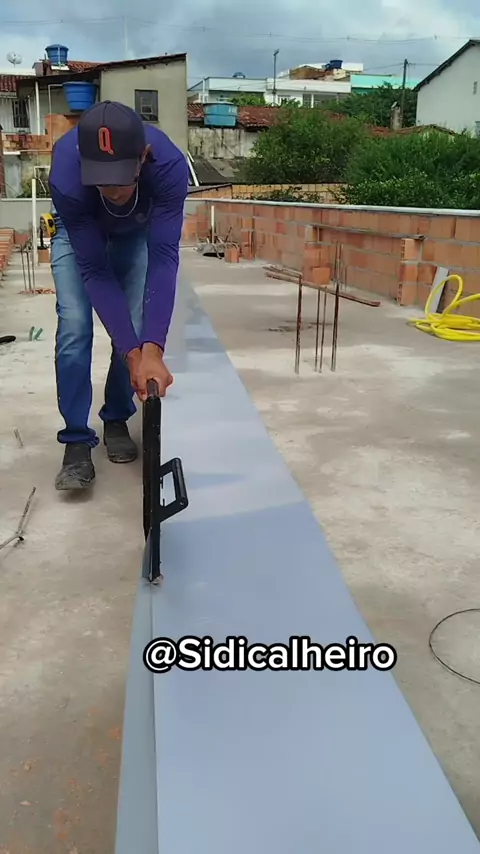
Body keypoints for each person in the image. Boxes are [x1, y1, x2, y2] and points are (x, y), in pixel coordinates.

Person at [48, 100, 189, 491]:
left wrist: (151, 349)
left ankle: (116, 417)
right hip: (79, 234)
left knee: (136, 326)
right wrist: (132, 353)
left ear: (143, 157)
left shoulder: (169, 166)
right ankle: (76, 440)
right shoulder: (66, 174)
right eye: (102, 181)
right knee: (75, 326)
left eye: (121, 179)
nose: (112, 191)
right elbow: (94, 271)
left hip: (135, 234)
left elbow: (163, 257)